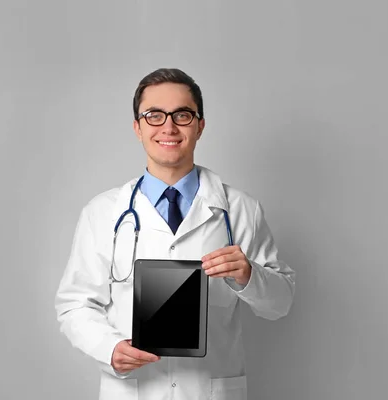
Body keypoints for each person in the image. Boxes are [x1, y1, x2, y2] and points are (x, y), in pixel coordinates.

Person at [54, 68, 295, 400]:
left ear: (200, 125)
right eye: (154, 115)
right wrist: (109, 349)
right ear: (137, 127)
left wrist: (249, 276)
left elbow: (279, 303)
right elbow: (74, 304)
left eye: (182, 115)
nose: (168, 127)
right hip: (133, 390)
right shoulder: (103, 212)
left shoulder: (240, 210)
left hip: (211, 391)